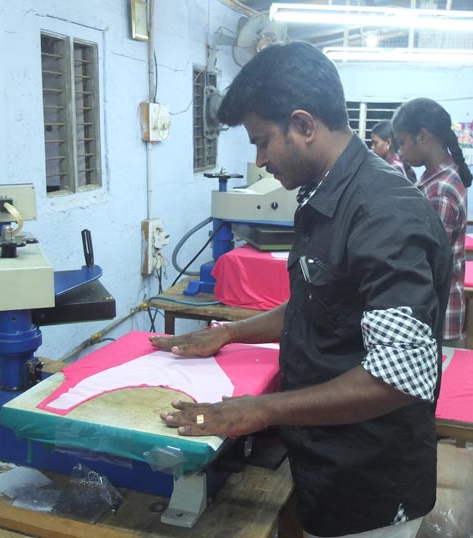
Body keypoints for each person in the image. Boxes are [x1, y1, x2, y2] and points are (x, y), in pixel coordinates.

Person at [149, 42, 451, 538]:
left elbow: (399, 378)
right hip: (325, 457)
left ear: (304, 125)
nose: (260, 158)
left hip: (370, 483)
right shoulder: (326, 192)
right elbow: (319, 302)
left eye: (263, 141)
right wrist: (229, 333)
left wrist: (259, 410)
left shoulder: (383, 213)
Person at [392, 98, 472, 348]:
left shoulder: (440, 190)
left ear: (423, 137)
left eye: (402, 142)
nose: (400, 152)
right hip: (435, 310)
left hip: (437, 315)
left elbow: (432, 262)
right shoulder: (434, 179)